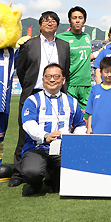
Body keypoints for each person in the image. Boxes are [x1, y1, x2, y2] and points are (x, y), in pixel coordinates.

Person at [10, 11, 70, 187]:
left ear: (57, 25)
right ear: (40, 24)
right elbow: (21, 69)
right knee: (25, 132)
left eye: (53, 21)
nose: (49, 23)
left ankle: (53, 171)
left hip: (56, 93)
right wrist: (30, 86)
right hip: (33, 92)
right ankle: (19, 173)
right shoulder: (29, 44)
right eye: (46, 21)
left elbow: (65, 69)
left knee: (56, 130)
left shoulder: (64, 45)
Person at [20, 63, 86, 196]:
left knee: (73, 175)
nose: (52, 80)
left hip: (63, 150)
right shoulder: (32, 100)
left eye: (56, 76)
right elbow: (28, 124)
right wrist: (45, 136)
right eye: (48, 76)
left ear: (63, 80)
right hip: (37, 148)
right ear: (43, 79)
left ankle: (53, 178)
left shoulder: (72, 102)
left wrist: (73, 140)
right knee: (32, 172)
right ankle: (36, 184)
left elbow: (80, 125)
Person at [56, 6, 92, 111]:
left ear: (84, 20)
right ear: (69, 20)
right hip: (70, 84)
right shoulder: (61, 37)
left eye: (80, 18)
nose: (77, 20)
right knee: (70, 115)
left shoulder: (87, 37)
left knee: (87, 116)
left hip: (86, 84)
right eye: (74, 18)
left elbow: (87, 57)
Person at [85, 57, 111, 134]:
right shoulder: (95, 89)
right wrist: (89, 127)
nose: (109, 75)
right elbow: (90, 111)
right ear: (101, 72)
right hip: (96, 130)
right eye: (106, 72)